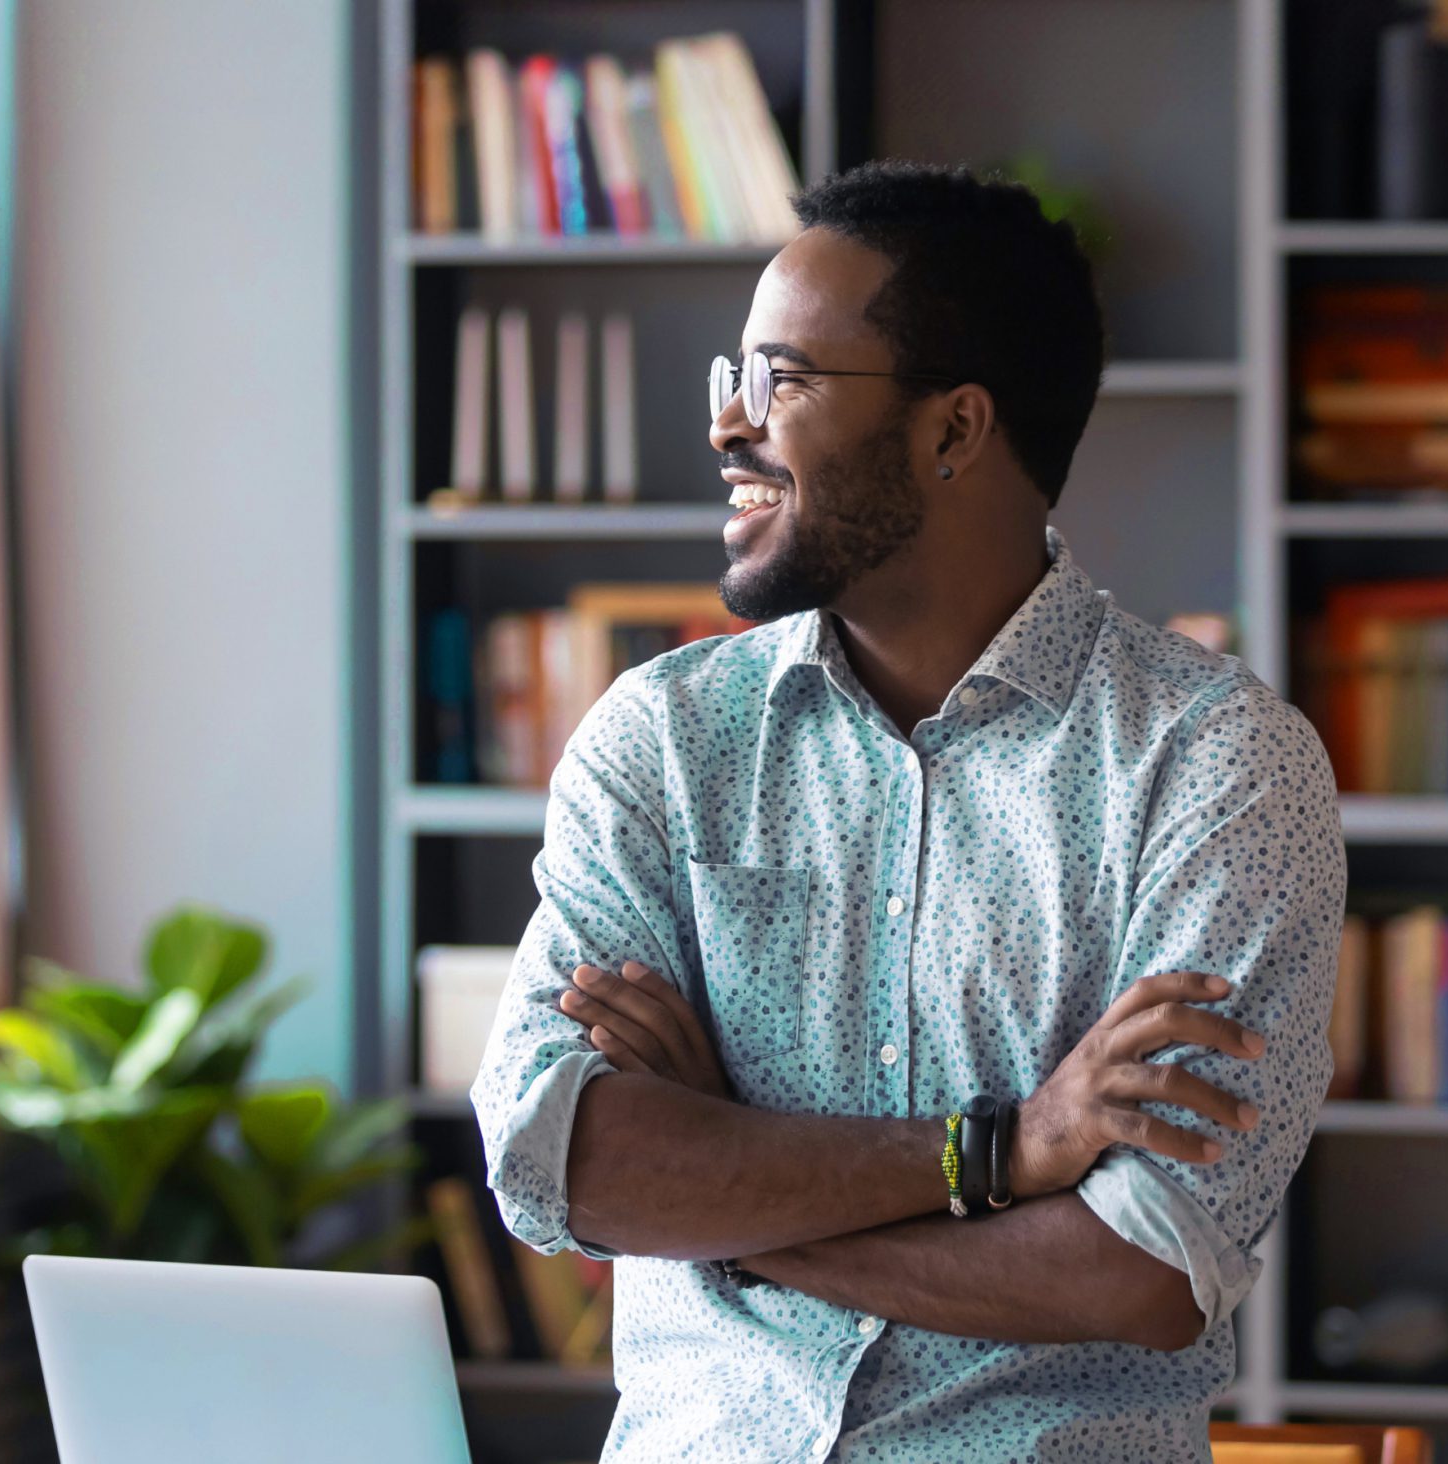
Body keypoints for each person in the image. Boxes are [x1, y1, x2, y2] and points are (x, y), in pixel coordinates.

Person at [467, 159, 1346, 1462]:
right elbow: (565, 1163)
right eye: (734, 380)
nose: (727, 426)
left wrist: (723, 1182)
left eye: (784, 380)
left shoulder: (1214, 766)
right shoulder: (661, 740)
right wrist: (995, 1153)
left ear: (954, 430)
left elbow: (1136, 1272)